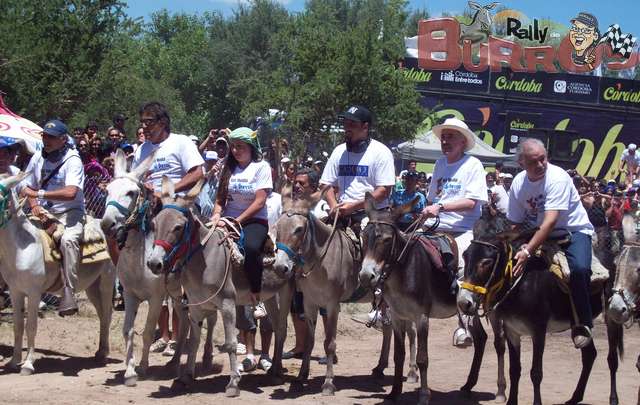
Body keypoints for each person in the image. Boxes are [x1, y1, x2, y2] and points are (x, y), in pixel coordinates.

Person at [508, 138, 595, 349]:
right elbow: (515, 223)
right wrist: (515, 245)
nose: (540, 165)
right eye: (533, 162)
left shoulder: (558, 178)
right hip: (536, 232)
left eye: (543, 159)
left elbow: (550, 222)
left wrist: (528, 250)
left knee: (580, 269)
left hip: (572, 231)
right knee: (504, 261)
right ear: (521, 163)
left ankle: (582, 322)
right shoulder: (518, 183)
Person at [421, 117, 488, 348]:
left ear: (462, 141)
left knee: (464, 268)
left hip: (463, 228)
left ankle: (465, 325)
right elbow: (432, 198)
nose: (445, 141)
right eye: (443, 137)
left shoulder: (473, 165)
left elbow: (471, 202)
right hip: (434, 226)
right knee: (399, 252)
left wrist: (440, 207)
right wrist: (427, 211)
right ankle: (384, 309)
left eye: (450, 137)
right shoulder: (440, 164)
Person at [20, 120, 85, 316]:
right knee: (14, 233)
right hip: (42, 210)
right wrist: (35, 205)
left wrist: (38, 195)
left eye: (51, 137)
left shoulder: (73, 160)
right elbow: (25, 185)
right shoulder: (38, 157)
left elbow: (71, 192)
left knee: (68, 240)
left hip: (69, 212)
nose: (46, 140)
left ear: (63, 139)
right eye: (44, 136)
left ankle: (69, 291)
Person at [211, 127, 272, 319]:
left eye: (240, 147)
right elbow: (220, 199)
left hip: (254, 220)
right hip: (227, 219)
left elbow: (260, 201)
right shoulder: (228, 168)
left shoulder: (261, 167)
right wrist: (216, 215)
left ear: (251, 147)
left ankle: (256, 296)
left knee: (252, 248)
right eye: (233, 147)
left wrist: (236, 221)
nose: (236, 151)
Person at [320, 105, 395, 237]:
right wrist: (333, 206)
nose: (347, 127)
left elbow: (383, 191)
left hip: (372, 215)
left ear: (365, 127)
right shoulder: (338, 151)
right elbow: (326, 184)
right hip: (341, 213)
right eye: (345, 123)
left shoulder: (381, 152)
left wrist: (353, 206)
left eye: (352, 124)